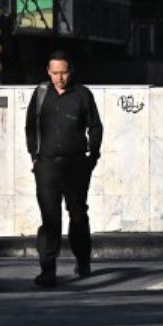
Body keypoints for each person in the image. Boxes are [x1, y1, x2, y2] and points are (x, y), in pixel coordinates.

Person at [25, 48, 103, 288]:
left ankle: (83, 260)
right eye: (55, 73)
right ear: (48, 71)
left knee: (78, 215)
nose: (60, 78)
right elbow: (30, 127)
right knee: (50, 218)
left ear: (71, 71)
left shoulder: (82, 95)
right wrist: (35, 158)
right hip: (47, 166)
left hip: (76, 165)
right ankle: (48, 269)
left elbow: (96, 126)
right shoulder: (40, 94)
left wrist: (93, 155)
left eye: (64, 72)